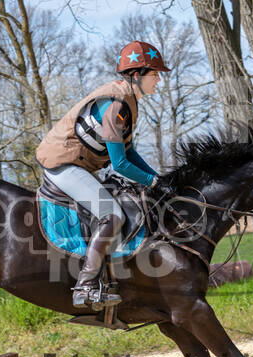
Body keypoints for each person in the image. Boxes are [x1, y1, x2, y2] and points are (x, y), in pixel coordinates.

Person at [36, 41, 175, 309]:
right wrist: (153, 182)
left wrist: (158, 179)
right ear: (137, 75)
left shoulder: (129, 101)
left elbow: (129, 152)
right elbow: (120, 164)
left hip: (77, 164)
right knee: (112, 215)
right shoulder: (117, 106)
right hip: (62, 164)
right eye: (154, 74)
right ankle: (85, 286)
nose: (159, 80)